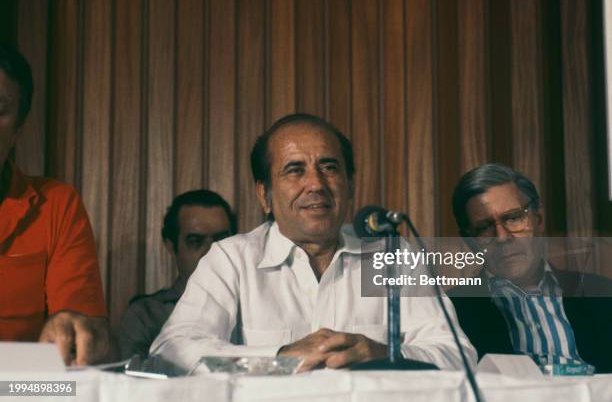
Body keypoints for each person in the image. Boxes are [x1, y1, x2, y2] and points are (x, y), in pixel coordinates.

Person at [150, 113, 475, 371]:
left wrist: (385, 355)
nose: (315, 184)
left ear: (349, 185)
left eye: (329, 167)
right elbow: (173, 350)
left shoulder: (392, 255)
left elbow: (455, 354)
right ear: (265, 194)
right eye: (294, 170)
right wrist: (279, 358)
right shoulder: (231, 259)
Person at [0, 44, 109, 365]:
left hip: (19, 387)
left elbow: (93, 340)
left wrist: (76, 331)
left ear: (17, 128)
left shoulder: (56, 204)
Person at [448, 163, 612, 373]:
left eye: (513, 217)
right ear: (470, 242)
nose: (502, 237)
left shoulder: (601, 292)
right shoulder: (452, 310)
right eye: (484, 227)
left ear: (538, 219)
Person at [119, 189, 235, 358]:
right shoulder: (145, 315)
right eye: (195, 242)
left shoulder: (252, 307)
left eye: (221, 241)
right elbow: (130, 381)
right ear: (171, 247)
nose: (211, 252)